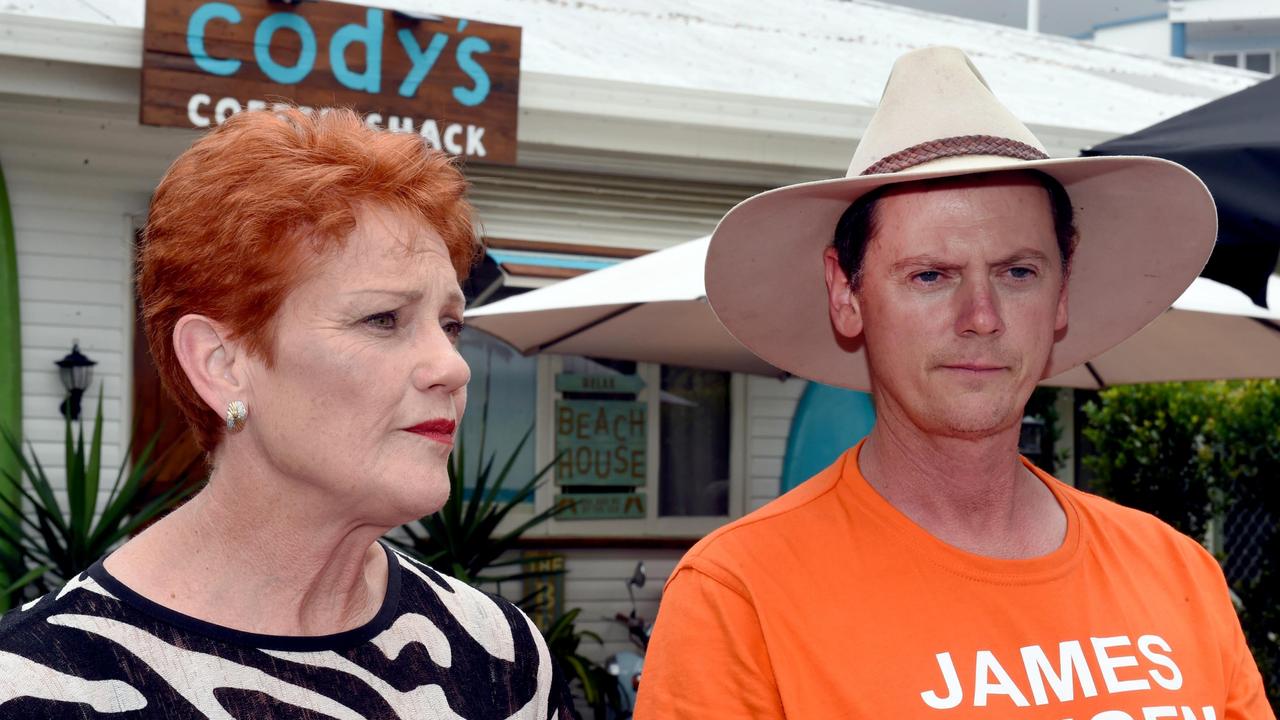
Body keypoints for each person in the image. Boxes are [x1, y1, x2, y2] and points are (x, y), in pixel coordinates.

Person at [635, 47, 1273, 719]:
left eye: (1018, 272)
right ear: (845, 294)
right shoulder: (741, 598)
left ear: (1063, 292)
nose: (981, 318)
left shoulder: (1177, 573)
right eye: (930, 275)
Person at [0, 108, 575, 719]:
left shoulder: (497, 657)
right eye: (383, 319)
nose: (454, 368)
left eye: (451, 324)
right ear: (220, 363)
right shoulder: (42, 684)